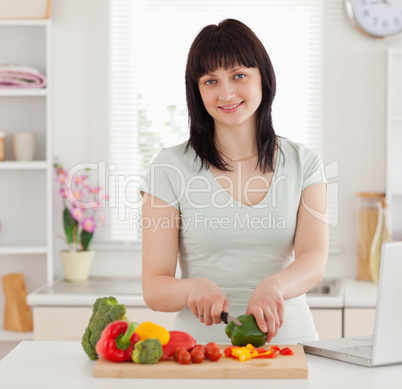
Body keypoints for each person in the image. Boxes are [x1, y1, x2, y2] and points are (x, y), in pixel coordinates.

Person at [140, 19, 328, 344]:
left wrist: (275, 286)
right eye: (210, 81)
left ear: (263, 79)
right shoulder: (169, 168)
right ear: (197, 91)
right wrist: (191, 288)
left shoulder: (304, 162)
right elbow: (154, 288)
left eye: (238, 75)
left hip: (290, 348)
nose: (226, 93)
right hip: (200, 354)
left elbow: (314, 259)